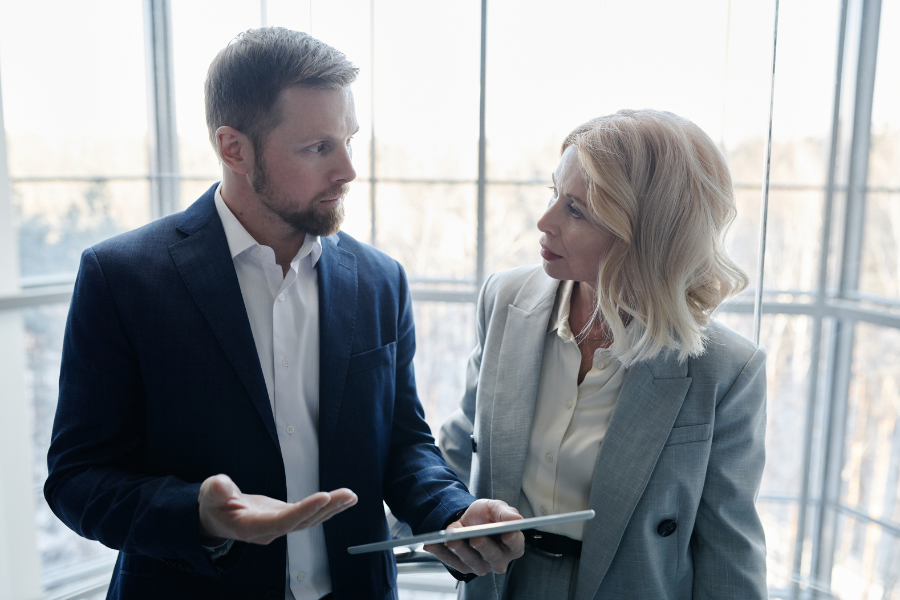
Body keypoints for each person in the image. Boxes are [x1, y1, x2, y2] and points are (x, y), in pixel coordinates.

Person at [44, 27, 522, 600]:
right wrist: (198, 514)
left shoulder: (380, 280)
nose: (347, 170)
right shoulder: (121, 278)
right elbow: (78, 479)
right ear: (234, 148)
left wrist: (452, 512)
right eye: (318, 147)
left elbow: (402, 444)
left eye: (349, 140)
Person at [436, 109, 768, 599]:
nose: (544, 221)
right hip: (498, 587)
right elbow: (461, 444)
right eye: (554, 193)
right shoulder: (505, 299)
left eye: (576, 211)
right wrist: (442, 516)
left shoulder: (725, 370)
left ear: (646, 237)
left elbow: (728, 551)